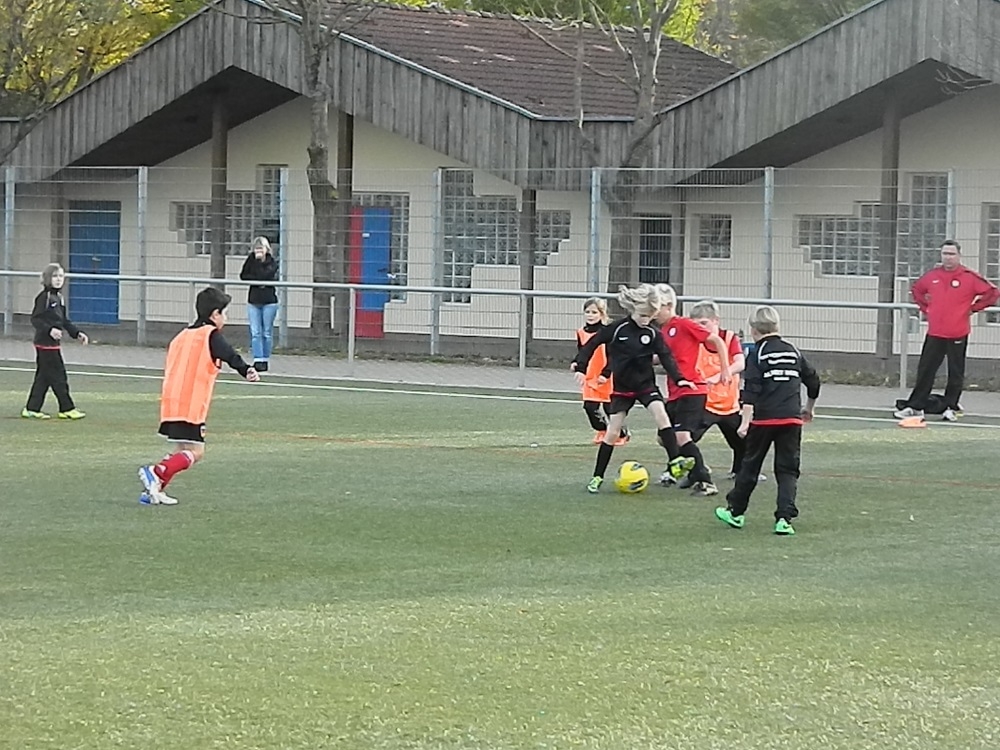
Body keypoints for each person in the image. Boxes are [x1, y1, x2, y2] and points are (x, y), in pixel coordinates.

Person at [137, 287, 259, 506]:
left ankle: (153, 490)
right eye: (224, 313)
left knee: (180, 450)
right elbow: (230, 354)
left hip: (171, 402)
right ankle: (157, 471)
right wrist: (246, 370)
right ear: (214, 314)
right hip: (191, 404)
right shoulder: (210, 335)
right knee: (196, 451)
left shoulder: (181, 336)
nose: (225, 318)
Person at [572, 284, 696, 494]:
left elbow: (666, 357)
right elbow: (593, 344)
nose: (646, 320)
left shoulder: (653, 333)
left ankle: (675, 461)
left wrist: (680, 379)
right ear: (633, 310)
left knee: (662, 416)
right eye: (643, 315)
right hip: (622, 389)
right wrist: (580, 366)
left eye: (650, 316)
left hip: (645, 385)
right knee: (612, 432)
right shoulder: (617, 329)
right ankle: (597, 476)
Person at [714, 305, 820, 536]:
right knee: (788, 470)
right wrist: (808, 408)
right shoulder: (793, 351)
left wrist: (745, 422)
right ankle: (784, 519)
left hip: (764, 420)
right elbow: (813, 380)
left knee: (750, 466)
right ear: (777, 326)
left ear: (753, 330)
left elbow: (751, 389)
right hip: (791, 419)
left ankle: (736, 512)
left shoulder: (757, 353)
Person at [894, 240, 999, 422]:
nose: (948, 258)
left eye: (951, 254)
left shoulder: (969, 277)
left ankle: (951, 406)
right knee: (926, 370)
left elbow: (992, 292)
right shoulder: (933, 275)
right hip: (935, 332)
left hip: (957, 332)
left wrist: (974, 308)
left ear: (959, 256)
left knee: (955, 372)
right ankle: (916, 406)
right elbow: (917, 290)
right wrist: (927, 308)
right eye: (945, 254)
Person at [653, 285, 731, 497]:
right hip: (675, 391)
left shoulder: (684, 324)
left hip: (692, 390)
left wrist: (725, 369)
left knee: (682, 436)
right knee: (664, 438)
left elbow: (716, 340)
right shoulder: (663, 331)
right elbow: (663, 357)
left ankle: (705, 481)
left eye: (656, 307)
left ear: (669, 306)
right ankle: (697, 470)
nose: (653, 312)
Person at [687, 300, 760, 482]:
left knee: (743, 442)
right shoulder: (694, 341)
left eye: (704, 323)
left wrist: (718, 376)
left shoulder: (729, 338)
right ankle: (690, 471)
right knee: (685, 438)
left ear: (716, 320)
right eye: (696, 324)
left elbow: (740, 363)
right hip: (705, 403)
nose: (700, 328)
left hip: (729, 405)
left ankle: (740, 471)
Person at [22, 263, 88, 420]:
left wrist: (77, 333)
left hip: (53, 345)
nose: (58, 279)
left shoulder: (59, 298)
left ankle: (32, 408)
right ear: (47, 278)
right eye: (55, 276)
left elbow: (64, 320)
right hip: (44, 344)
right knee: (59, 376)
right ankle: (67, 408)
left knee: (43, 378)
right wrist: (50, 330)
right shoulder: (44, 297)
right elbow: (36, 319)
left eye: (61, 276)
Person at [576, 297, 628, 446]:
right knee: (589, 407)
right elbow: (582, 351)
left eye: (594, 312)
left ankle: (621, 433)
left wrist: (606, 373)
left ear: (602, 314)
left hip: (606, 375)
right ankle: (602, 429)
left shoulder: (607, 333)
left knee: (610, 407)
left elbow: (613, 356)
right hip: (590, 376)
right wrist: (577, 364)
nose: (590, 315)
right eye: (588, 312)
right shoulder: (581, 332)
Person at [239, 236, 279, 372]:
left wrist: (257, 272)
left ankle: (265, 359)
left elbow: (265, 275)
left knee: (266, 332)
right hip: (254, 300)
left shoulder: (272, 261)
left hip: (269, 301)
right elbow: (244, 275)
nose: (258, 252)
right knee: (255, 332)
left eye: (261, 249)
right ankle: (258, 359)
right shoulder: (251, 260)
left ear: (266, 249)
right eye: (256, 249)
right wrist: (255, 264)